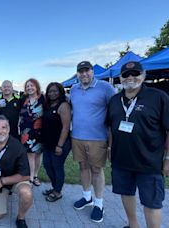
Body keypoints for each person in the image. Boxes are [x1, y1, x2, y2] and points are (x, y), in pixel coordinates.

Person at [107, 61, 169, 228]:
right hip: (121, 161)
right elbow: (111, 127)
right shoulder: (114, 100)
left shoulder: (158, 97)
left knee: (152, 202)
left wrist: (168, 159)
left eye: (135, 73)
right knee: (126, 193)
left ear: (143, 74)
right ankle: (133, 225)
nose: (130, 77)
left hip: (149, 162)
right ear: (121, 78)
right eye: (126, 75)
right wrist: (110, 148)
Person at [70, 61, 116, 223]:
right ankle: (86, 197)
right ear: (77, 73)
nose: (84, 74)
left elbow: (115, 109)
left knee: (97, 170)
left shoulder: (105, 87)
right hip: (77, 136)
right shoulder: (74, 89)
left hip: (98, 137)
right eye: (80, 71)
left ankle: (99, 204)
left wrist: (112, 140)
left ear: (92, 71)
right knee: (83, 167)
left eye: (86, 71)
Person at [0, 115, 33, 228]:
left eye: (4, 127)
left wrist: (2, 181)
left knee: (27, 193)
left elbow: (25, 175)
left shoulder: (19, 147)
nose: (1, 131)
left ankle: (21, 218)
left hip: (14, 180)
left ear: (9, 129)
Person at [41, 82, 71, 202]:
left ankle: (57, 192)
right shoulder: (48, 105)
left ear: (60, 92)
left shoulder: (63, 106)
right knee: (47, 166)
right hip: (48, 143)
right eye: (50, 91)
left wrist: (60, 145)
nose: (52, 93)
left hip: (60, 143)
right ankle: (55, 187)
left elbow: (66, 127)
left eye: (55, 91)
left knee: (57, 167)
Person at [19, 78, 44, 186]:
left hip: (39, 131)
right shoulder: (24, 99)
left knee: (38, 154)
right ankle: (31, 177)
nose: (29, 88)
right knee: (30, 154)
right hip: (26, 131)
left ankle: (36, 175)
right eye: (27, 86)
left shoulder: (43, 98)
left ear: (36, 86)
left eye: (31, 85)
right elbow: (19, 114)